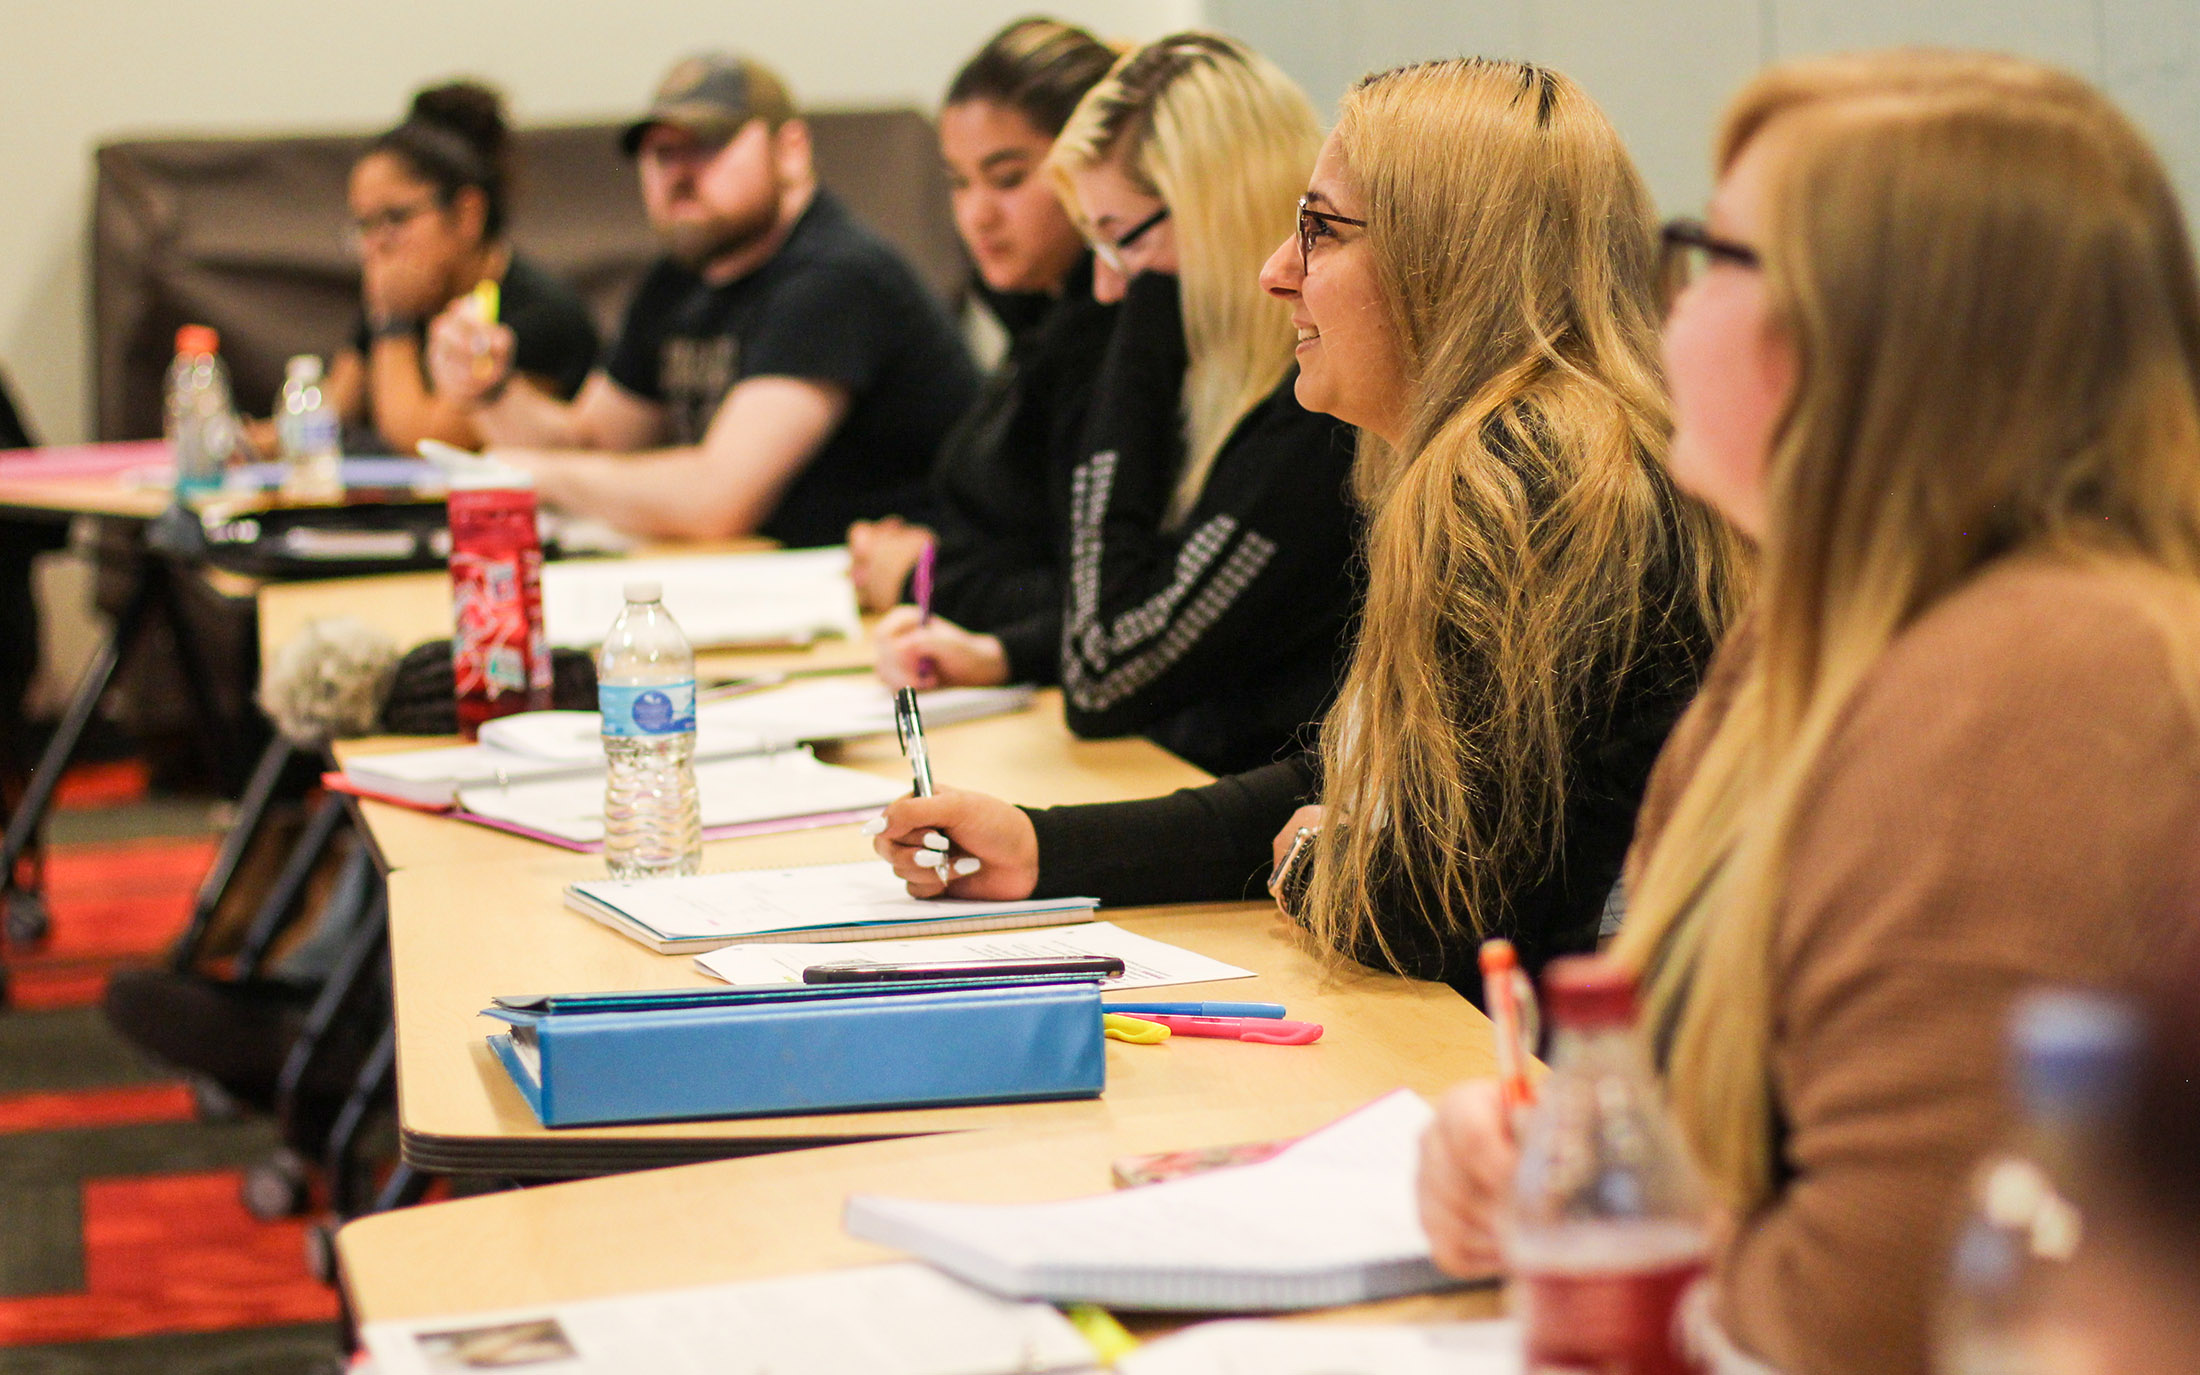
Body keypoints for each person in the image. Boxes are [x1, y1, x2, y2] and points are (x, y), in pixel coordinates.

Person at [1416, 52, 2200, 1375]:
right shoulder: (1820, 627)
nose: (1669, 301)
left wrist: (1623, 1213)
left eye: (1708, 252)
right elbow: (1692, 1120)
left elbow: (1886, 1304)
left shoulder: (2035, 678)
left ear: (1857, 337)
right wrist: (1552, 1150)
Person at [872, 59, 1734, 997]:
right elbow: (1359, 778)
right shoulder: (1520, 451)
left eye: (1320, 232)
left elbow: (1428, 910)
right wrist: (1048, 845)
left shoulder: (1522, 484)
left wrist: (1318, 862)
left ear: (1445, 255)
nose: (1277, 272)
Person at [876, 34, 1365, 775]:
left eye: (1118, 242)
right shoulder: (1228, 385)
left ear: (1211, 216)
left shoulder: (1314, 420)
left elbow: (1105, 675)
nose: (1105, 290)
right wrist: (1006, 652)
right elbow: (1160, 604)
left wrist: (1138, 341)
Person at [428, 54, 979, 547]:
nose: (680, 171)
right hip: (769, 577)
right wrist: (492, 390)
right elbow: (592, 443)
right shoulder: (679, 278)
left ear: (791, 151)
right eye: (661, 153)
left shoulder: (836, 275)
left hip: (900, 599)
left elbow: (719, 499)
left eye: (708, 145)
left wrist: (533, 474)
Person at [844, 18, 1120, 693]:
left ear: (1096, 166)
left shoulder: (1114, 336)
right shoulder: (1035, 314)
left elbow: (1093, 598)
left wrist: (922, 575)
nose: (976, 215)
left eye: (1007, 178)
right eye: (960, 183)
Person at [327, 81, 599, 454]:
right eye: (364, 226)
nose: (375, 247)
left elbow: (426, 442)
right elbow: (328, 414)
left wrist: (394, 324)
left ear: (468, 214)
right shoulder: (405, 294)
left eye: (394, 219)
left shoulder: (541, 315)